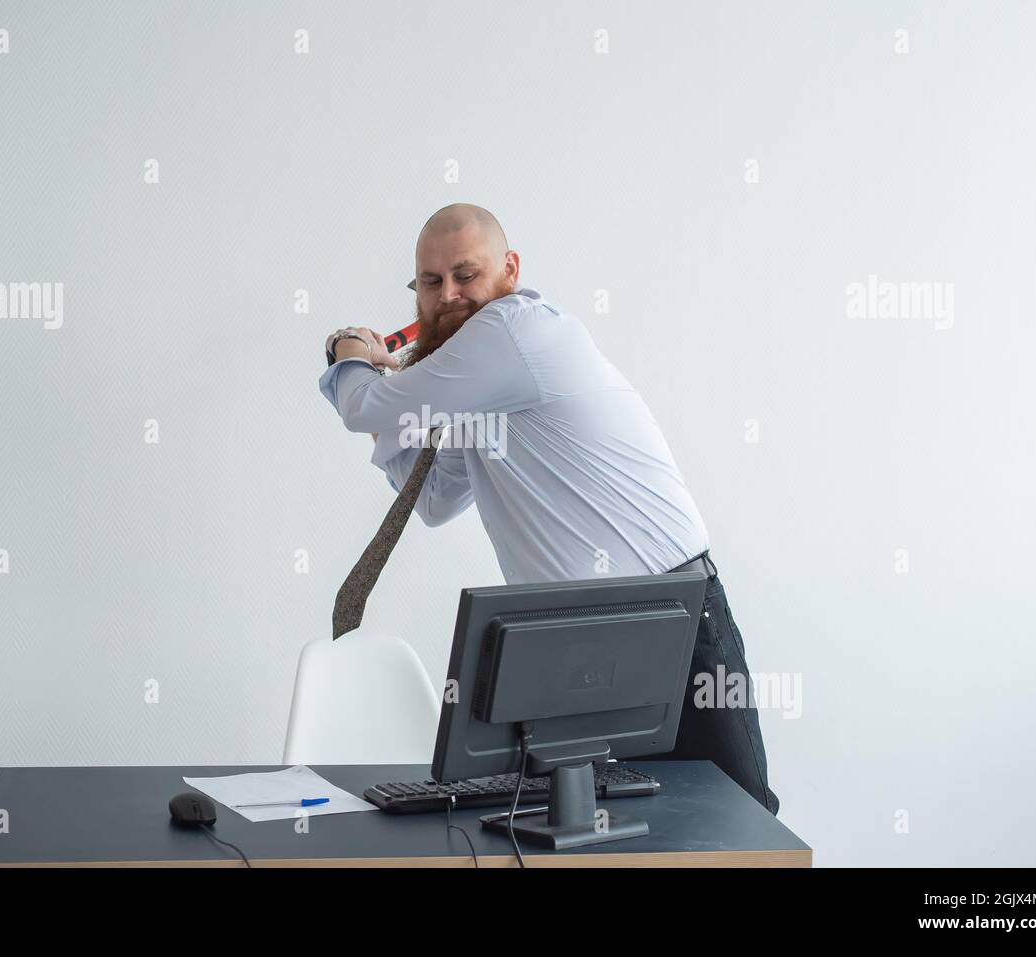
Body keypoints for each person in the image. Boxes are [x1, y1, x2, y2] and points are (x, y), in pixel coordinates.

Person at [318, 203, 779, 815]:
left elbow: (363, 409)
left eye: (466, 274)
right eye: (432, 282)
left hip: (668, 617)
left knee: (734, 829)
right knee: (619, 836)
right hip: (578, 638)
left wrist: (348, 353)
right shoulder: (483, 394)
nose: (449, 294)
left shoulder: (513, 330)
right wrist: (403, 410)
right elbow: (432, 499)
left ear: (509, 269)